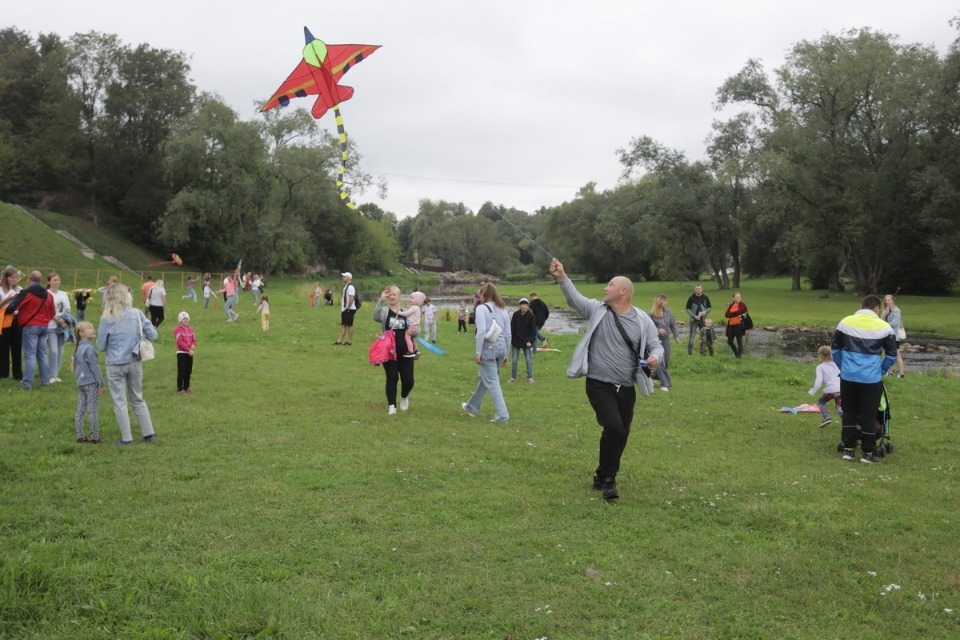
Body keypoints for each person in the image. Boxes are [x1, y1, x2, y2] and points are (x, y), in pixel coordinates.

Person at [548, 258, 663, 501]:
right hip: (599, 383)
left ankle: (602, 474)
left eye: (610, 285)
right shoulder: (596, 310)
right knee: (614, 427)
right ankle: (610, 480)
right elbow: (574, 299)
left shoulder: (642, 319)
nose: (605, 288)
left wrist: (655, 357)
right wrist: (562, 277)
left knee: (622, 433)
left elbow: (656, 345)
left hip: (627, 386)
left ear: (623, 292)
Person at [831, 295, 897, 464]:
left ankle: (848, 449)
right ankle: (867, 453)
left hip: (848, 376)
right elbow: (891, 354)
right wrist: (880, 370)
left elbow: (835, 349)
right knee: (869, 414)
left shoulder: (845, 323)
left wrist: (843, 367)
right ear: (877, 309)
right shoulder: (885, 327)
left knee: (849, 413)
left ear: (861, 306)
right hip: (871, 379)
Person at [97, 282, 158, 445]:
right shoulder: (137, 313)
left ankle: (127, 439)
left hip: (115, 363)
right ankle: (149, 434)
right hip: (134, 361)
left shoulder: (106, 318)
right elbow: (153, 334)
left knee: (120, 401)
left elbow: (101, 346)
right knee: (137, 397)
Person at [462, 283, 512, 422]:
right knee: (487, 379)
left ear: (483, 295)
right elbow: (508, 334)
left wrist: (478, 352)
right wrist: (507, 353)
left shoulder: (481, 308)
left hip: (489, 347)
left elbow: (481, 331)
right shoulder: (503, 309)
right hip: (502, 347)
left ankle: (503, 415)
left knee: (493, 382)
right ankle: (472, 407)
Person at [372, 285, 416, 415]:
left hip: (406, 352)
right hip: (389, 351)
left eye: (394, 294)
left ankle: (404, 396)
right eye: (389, 294)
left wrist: (414, 331)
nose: (391, 297)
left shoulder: (406, 312)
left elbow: (415, 328)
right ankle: (392, 406)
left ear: (399, 297)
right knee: (392, 378)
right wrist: (381, 300)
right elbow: (375, 317)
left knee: (409, 380)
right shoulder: (385, 311)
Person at [16, 270, 56, 390]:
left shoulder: (28, 294)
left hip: (30, 326)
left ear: (29, 279)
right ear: (41, 280)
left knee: (30, 355)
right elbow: (52, 312)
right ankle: (45, 381)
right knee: (42, 354)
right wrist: (45, 320)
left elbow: (17, 306)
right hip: (44, 326)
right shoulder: (48, 295)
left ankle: (27, 383)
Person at [71, 321, 104, 443]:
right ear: (82, 333)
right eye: (90, 328)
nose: (93, 330)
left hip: (81, 383)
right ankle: (95, 437)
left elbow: (75, 366)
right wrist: (101, 383)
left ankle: (80, 436)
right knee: (92, 410)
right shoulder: (89, 349)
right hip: (91, 383)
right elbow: (95, 368)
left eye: (93, 327)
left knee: (80, 410)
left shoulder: (78, 348)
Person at [45, 272, 73, 383]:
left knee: (60, 351)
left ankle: (55, 374)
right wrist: (58, 320)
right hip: (51, 326)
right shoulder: (46, 294)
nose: (57, 282)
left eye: (58, 280)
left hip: (63, 327)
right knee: (54, 351)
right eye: (54, 280)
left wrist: (65, 321)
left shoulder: (63, 294)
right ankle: (51, 375)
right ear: (49, 282)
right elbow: (47, 310)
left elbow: (68, 309)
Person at [650, 294, 681, 391]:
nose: (666, 303)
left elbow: (673, 326)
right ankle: (664, 384)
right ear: (659, 302)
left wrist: (676, 337)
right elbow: (648, 328)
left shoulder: (669, 312)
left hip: (666, 340)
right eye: (664, 301)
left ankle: (651, 376)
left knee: (666, 363)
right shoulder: (651, 314)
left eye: (666, 301)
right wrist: (658, 330)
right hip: (656, 341)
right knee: (660, 362)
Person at [809, 345, 842, 428]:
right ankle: (848, 422)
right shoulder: (836, 364)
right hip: (841, 389)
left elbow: (818, 382)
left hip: (830, 390)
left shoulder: (820, 367)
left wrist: (812, 391)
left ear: (821, 356)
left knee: (821, 402)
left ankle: (826, 418)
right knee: (839, 407)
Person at [0, 266, 23, 380]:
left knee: (17, 347)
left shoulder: (19, 289)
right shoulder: (1, 290)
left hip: (17, 319)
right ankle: (3, 373)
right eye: (12, 277)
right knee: (4, 347)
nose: (14, 280)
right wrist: (8, 299)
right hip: (4, 320)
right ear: (6, 278)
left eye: (16, 277)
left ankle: (17, 374)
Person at [510, 297, 537, 383]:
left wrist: (530, 341)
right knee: (514, 361)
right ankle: (513, 377)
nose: (524, 306)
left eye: (525, 305)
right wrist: (512, 340)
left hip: (527, 341)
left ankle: (530, 377)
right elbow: (512, 328)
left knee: (528, 361)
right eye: (522, 304)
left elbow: (533, 331)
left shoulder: (531, 316)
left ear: (528, 306)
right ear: (519, 306)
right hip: (516, 341)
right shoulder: (515, 315)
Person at [882, 294, 906, 378]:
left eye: (889, 300)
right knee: (887, 354)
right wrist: (884, 314)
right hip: (887, 335)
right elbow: (881, 320)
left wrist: (884, 324)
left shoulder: (896, 311)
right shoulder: (886, 311)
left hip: (894, 336)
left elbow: (895, 323)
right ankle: (890, 372)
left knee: (897, 354)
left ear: (892, 300)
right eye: (886, 300)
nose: (887, 302)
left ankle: (901, 373)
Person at [173, 311, 197, 394]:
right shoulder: (177, 330)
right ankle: (180, 388)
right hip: (182, 353)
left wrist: (193, 345)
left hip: (190, 353)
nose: (186, 320)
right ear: (180, 320)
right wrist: (188, 350)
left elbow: (194, 339)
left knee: (188, 371)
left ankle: (187, 387)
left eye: (187, 318)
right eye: (184, 319)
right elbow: (180, 342)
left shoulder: (191, 329)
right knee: (182, 371)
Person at [685, 283, 712, 355]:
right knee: (692, 337)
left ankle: (702, 352)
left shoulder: (705, 298)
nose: (698, 290)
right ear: (695, 289)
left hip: (703, 320)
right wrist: (694, 316)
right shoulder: (691, 298)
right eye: (697, 289)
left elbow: (709, 307)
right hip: (694, 320)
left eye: (699, 288)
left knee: (704, 336)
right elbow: (687, 309)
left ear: (702, 289)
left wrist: (705, 312)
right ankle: (690, 353)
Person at [396, 291, 425, 357]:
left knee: (407, 338)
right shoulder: (417, 308)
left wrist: (399, 312)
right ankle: (416, 350)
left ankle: (410, 351)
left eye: (412, 298)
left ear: (417, 301)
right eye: (410, 298)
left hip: (412, 326)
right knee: (413, 338)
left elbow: (407, 313)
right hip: (416, 327)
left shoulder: (414, 307)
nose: (409, 299)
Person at [334, 272, 358, 345]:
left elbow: (351, 297)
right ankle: (339, 340)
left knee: (349, 325)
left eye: (344, 276)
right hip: (345, 309)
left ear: (348, 277)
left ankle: (349, 341)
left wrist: (348, 307)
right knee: (343, 325)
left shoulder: (350, 287)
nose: (343, 277)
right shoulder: (346, 286)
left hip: (349, 309)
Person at [724, 292, 748, 359]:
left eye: (739, 297)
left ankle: (738, 357)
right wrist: (733, 314)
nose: (738, 298)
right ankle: (736, 353)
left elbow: (739, 311)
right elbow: (726, 315)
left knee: (739, 341)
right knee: (729, 342)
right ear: (733, 298)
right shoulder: (731, 305)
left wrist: (731, 314)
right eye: (737, 297)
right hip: (731, 325)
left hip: (739, 324)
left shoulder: (742, 305)